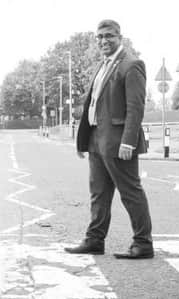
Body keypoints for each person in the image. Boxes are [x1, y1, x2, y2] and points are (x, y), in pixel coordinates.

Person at [65, 19, 153, 259]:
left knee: (130, 192)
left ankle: (143, 243)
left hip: (118, 142)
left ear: (119, 37)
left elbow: (135, 108)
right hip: (96, 139)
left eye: (108, 36)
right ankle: (94, 240)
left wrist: (128, 141)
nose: (103, 41)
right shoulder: (101, 66)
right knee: (99, 194)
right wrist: (84, 141)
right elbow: (93, 104)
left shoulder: (131, 65)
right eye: (100, 37)